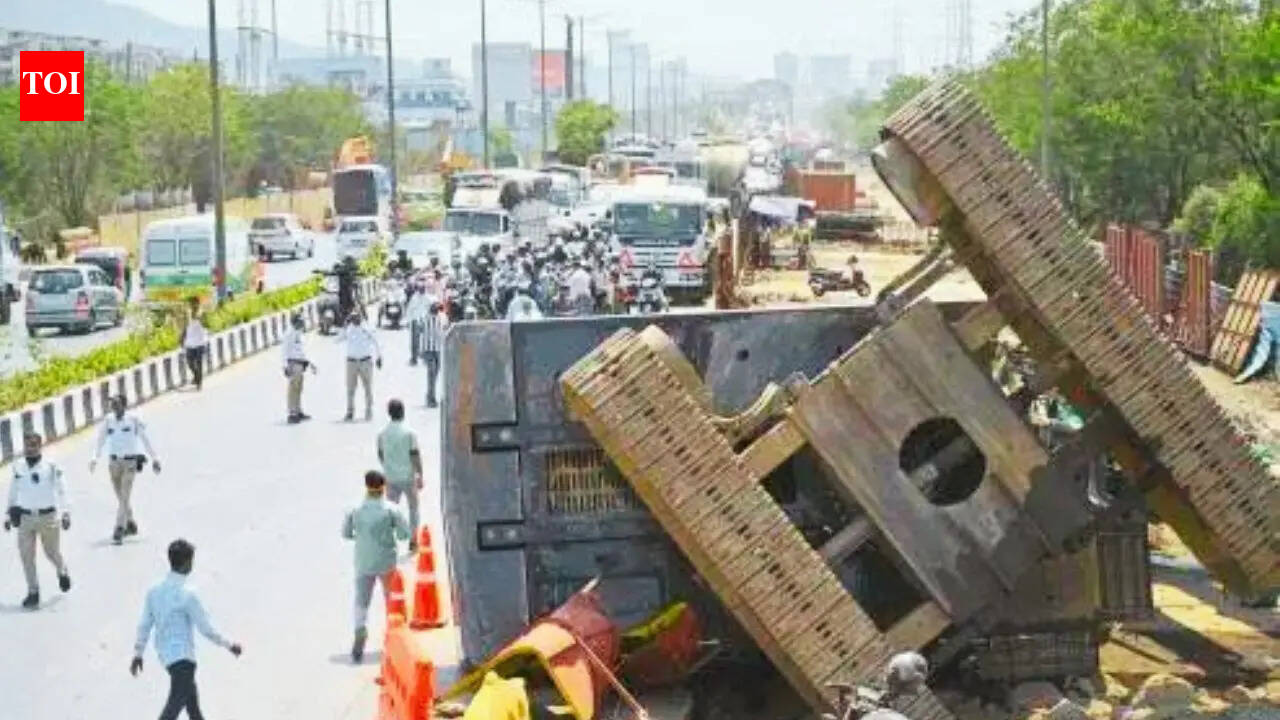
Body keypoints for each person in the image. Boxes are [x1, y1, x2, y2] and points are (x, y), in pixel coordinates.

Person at [132, 539, 242, 720]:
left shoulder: (154, 592)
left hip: (167, 658)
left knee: (193, 710)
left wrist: (138, 653)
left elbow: (144, 625)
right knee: (174, 706)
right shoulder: (187, 594)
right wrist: (229, 645)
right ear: (186, 563)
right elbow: (206, 628)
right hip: (183, 659)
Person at [342, 470, 410, 662]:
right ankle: (395, 637)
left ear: (366, 486)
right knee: (391, 600)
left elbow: (346, 533)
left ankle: (360, 630)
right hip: (386, 561)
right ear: (383, 487)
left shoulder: (354, 510)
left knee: (361, 601)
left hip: (363, 562)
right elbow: (404, 535)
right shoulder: (391, 509)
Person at [5, 433, 71, 609]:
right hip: (25, 518)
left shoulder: (51, 466)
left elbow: (62, 489)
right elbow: (13, 491)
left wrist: (66, 512)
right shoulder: (18, 466)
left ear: (40, 446)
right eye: (27, 445)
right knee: (26, 556)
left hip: (47, 517)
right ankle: (33, 591)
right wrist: (7, 514)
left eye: (34, 445)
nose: (30, 448)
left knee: (51, 552)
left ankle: (62, 570)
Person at [90, 395, 161, 544]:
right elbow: (100, 440)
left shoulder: (133, 419)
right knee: (121, 496)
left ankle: (119, 528)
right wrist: (95, 458)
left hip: (130, 463)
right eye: (112, 404)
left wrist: (155, 458)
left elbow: (145, 439)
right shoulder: (108, 420)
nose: (114, 407)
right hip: (114, 463)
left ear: (124, 405)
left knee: (124, 495)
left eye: (116, 404)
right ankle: (131, 522)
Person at [376, 400, 423, 549]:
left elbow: (381, 454)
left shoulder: (382, 434)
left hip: (391, 478)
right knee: (413, 509)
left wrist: (387, 467)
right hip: (408, 477)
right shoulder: (409, 433)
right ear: (403, 412)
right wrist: (420, 474)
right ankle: (414, 539)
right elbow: (415, 455)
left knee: (391, 511)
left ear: (389, 413)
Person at [338, 311, 382, 422]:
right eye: (353, 318)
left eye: (357, 317)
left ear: (361, 318)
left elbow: (376, 342)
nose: (355, 319)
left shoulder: (367, 328)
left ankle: (369, 411)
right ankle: (350, 412)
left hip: (365, 361)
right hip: (351, 362)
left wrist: (379, 356)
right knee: (350, 389)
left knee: (368, 388)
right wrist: (344, 326)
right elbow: (337, 340)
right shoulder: (348, 329)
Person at [281, 312, 315, 424]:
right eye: (300, 321)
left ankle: (298, 411)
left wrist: (310, 364)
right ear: (295, 322)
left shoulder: (300, 333)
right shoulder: (289, 334)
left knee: (299, 389)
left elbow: (302, 351)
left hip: (301, 364)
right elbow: (284, 351)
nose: (302, 323)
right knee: (293, 389)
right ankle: (292, 413)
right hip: (293, 364)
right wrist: (285, 366)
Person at [420, 300, 449, 408]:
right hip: (428, 349)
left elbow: (446, 330)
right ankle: (431, 398)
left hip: (439, 349)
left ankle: (431, 395)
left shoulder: (443, 317)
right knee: (431, 373)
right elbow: (420, 334)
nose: (435, 310)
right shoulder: (424, 318)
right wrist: (421, 351)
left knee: (435, 374)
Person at [181, 298, 208, 391]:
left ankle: (199, 383)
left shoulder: (202, 313)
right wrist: (182, 338)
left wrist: (201, 319)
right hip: (190, 342)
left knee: (199, 363)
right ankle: (197, 376)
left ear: (198, 303)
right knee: (190, 362)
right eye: (191, 303)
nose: (193, 305)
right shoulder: (187, 314)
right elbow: (185, 327)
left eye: (194, 303)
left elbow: (206, 324)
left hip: (200, 342)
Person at [405, 280, 430, 367]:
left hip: (425, 321)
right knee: (414, 342)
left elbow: (429, 310)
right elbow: (409, 310)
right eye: (420, 288)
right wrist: (408, 321)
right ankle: (414, 359)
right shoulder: (414, 298)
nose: (422, 290)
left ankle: (426, 358)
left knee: (426, 340)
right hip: (415, 321)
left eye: (423, 288)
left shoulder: (428, 298)